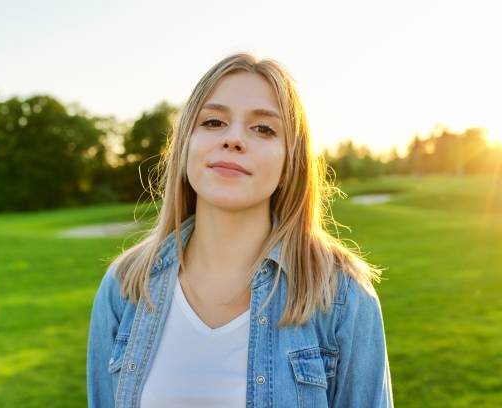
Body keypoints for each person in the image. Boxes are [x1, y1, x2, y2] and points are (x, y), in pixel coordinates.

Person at [87, 52, 394, 407]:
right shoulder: (125, 287)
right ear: (186, 145)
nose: (233, 139)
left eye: (263, 128)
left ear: (289, 162)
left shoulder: (342, 295)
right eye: (214, 122)